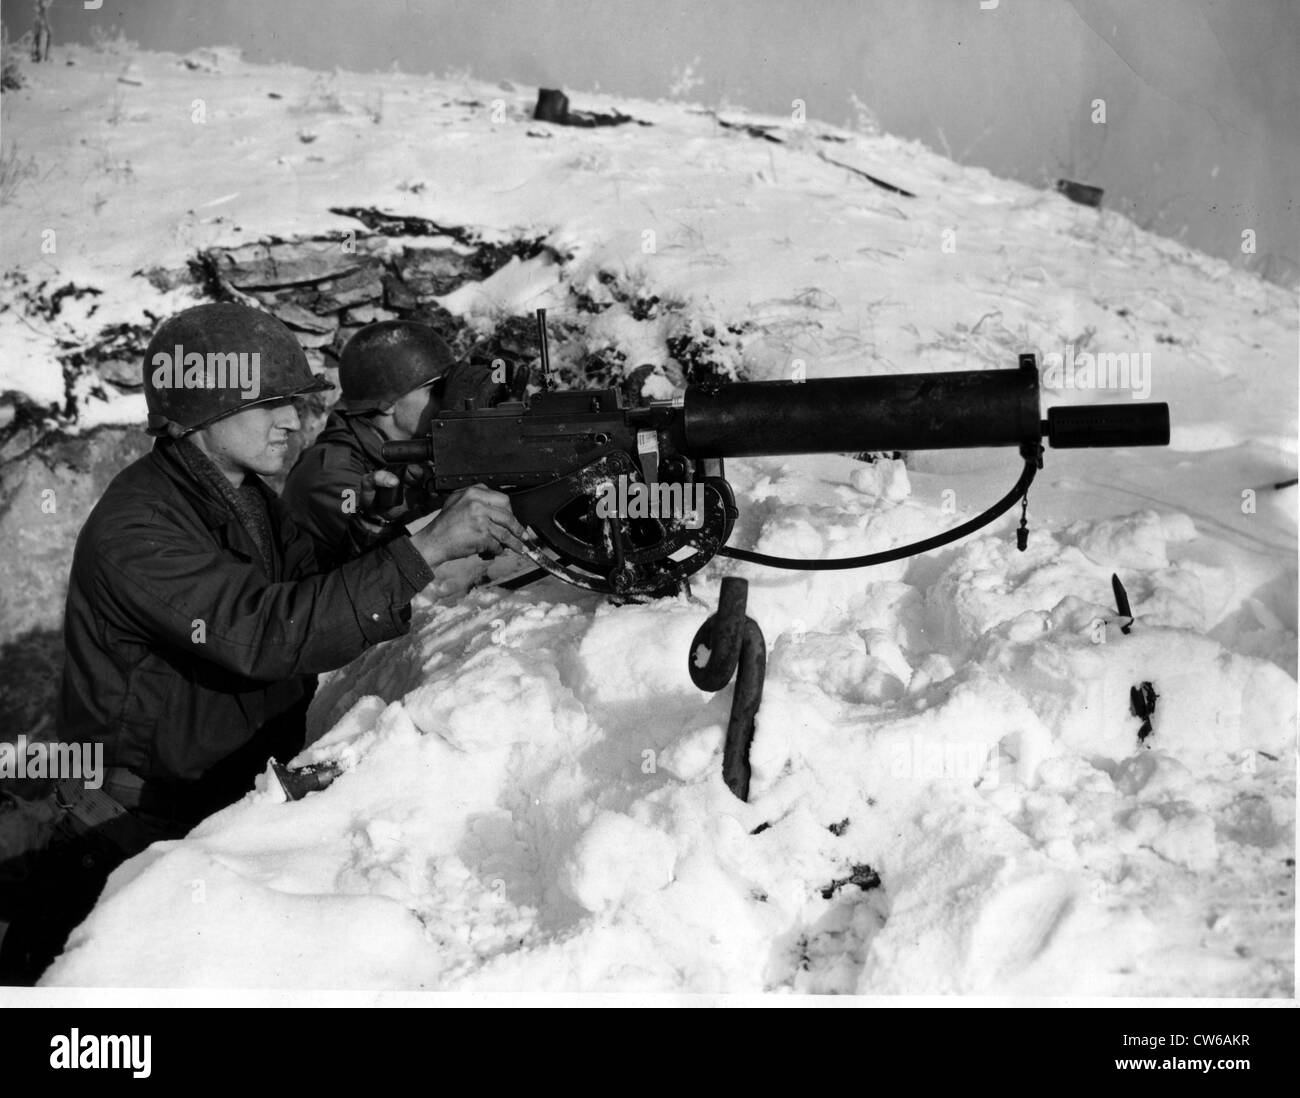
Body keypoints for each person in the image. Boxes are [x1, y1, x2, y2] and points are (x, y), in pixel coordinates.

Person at [0, 303, 526, 984]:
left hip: (205, 807)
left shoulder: (243, 495)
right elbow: (262, 632)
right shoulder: (138, 526)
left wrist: (427, 561)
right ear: (197, 411)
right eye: (269, 404)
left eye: (296, 403)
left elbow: (313, 585)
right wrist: (422, 550)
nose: (295, 421)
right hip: (124, 827)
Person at [282, 320, 513, 570]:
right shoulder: (328, 476)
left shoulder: (396, 454)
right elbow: (386, 561)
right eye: (438, 389)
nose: (446, 398)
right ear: (389, 402)